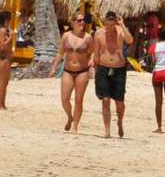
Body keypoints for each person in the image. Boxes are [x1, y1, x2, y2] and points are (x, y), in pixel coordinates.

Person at [93, 11, 133, 139]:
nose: (111, 22)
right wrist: (95, 70)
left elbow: (130, 40)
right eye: (109, 19)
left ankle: (120, 121)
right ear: (105, 20)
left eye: (113, 20)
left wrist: (122, 24)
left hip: (119, 69)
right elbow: (96, 53)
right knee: (105, 99)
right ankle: (107, 130)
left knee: (119, 102)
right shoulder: (99, 33)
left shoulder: (120, 31)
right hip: (103, 68)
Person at [54, 13, 94, 135]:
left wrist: (92, 60)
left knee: (78, 100)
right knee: (65, 99)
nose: (82, 22)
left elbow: (93, 52)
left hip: (82, 71)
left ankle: (75, 125)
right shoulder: (66, 36)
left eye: (83, 20)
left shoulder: (87, 37)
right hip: (67, 71)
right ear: (73, 23)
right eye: (79, 20)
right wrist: (54, 67)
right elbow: (60, 53)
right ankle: (70, 117)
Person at [0, 11, 14, 111]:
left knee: (5, 82)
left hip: (7, 59)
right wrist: (10, 38)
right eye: (9, 19)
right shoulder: (2, 31)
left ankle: (3, 103)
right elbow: (2, 46)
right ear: (6, 20)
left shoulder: (5, 30)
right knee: (2, 82)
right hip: (3, 59)